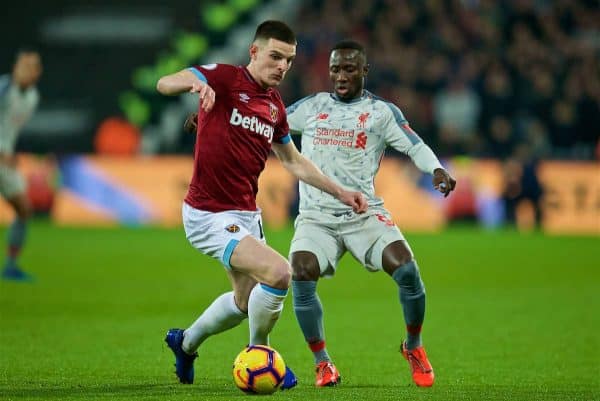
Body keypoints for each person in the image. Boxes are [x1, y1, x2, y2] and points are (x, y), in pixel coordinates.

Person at [156, 22, 368, 388]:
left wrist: (341, 191)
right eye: (275, 56)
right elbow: (164, 82)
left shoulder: (274, 107)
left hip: (245, 214)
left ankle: (186, 343)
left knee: (244, 301)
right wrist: (193, 83)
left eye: (288, 60)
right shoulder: (223, 78)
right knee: (280, 273)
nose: (282, 66)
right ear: (254, 52)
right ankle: (261, 355)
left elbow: (293, 161)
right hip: (208, 214)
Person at [285, 40, 456, 388]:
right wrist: (216, 121)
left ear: (365, 71)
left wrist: (436, 169)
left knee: (407, 269)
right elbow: (264, 122)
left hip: (363, 214)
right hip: (316, 216)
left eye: (349, 69)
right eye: (335, 69)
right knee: (300, 273)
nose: (341, 76)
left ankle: (414, 346)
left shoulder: (381, 113)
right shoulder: (312, 107)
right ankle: (323, 363)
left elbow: (414, 144)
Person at [1, 49, 43, 281]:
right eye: (22, 66)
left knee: (24, 209)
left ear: (38, 72)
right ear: (15, 68)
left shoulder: (31, 97)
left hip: (4, 161)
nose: (26, 71)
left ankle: (10, 266)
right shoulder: (4, 90)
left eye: (32, 66)